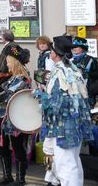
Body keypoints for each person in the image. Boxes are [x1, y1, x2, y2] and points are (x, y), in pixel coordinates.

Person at [35, 35, 92, 186]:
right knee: (70, 162)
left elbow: (57, 104)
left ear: (55, 53)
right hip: (68, 125)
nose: (49, 51)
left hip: (63, 127)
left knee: (66, 166)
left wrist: (41, 97)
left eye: (51, 49)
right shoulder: (71, 70)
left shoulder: (61, 73)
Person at [0, 44, 31, 186]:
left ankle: (20, 179)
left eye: (8, 61)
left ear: (14, 62)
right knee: (3, 146)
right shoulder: (10, 77)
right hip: (3, 117)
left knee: (18, 147)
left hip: (16, 118)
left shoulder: (23, 79)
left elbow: (7, 95)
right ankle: (7, 176)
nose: (6, 63)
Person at [71, 36, 98, 102]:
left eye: (76, 47)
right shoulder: (72, 61)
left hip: (88, 93)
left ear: (82, 48)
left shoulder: (91, 60)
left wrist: (86, 73)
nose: (74, 49)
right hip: (75, 93)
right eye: (73, 47)